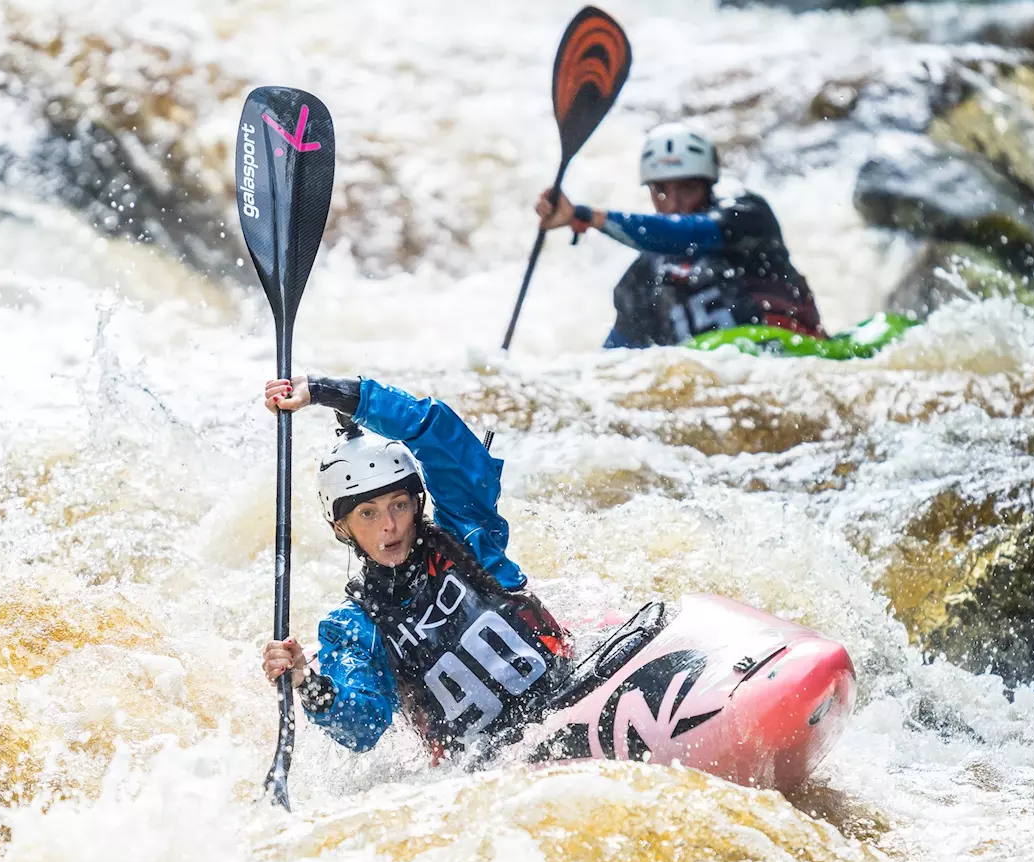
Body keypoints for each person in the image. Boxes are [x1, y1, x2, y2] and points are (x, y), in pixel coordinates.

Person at [260, 374, 572, 764]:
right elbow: (362, 727)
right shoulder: (355, 626)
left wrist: (332, 392)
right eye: (368, 513)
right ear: (342, 528)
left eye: (399, 505)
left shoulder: (467, 537)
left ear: (418, 503)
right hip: (490, 767)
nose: (389, 525)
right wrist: (307, 682)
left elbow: (435, 433)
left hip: (571, 696)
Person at [535, 122, 825, 349]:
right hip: (716, 379)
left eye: (687, 188)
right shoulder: (642, 277)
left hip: (787, 350)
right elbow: (617, 359)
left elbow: (689, 233)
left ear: (709, 184)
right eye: (661, 190)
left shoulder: (746, 215)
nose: (673, 204)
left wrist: (590, 217)